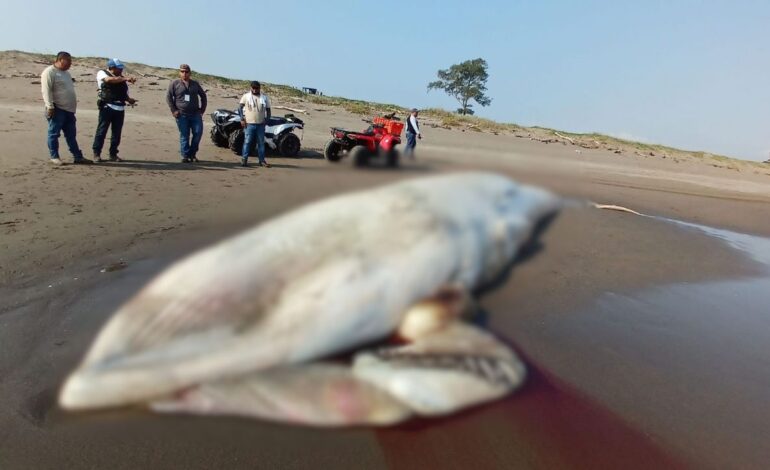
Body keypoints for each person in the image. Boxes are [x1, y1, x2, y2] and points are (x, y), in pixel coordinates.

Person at [41, 51, 92, 165]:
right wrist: (50, 106)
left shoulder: (66, 73)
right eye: (68, 61)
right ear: (60, 60)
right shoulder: (50, 72)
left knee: (71, 135)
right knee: (54, 133)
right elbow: (46, 90)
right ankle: (54, 156)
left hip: (69, 110)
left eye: (71, 61)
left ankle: (78, 157)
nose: (70, 63)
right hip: (56, 108)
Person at [92, 58, 137, 162]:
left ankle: (113, 154)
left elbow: (123, 93)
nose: (121, 70)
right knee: (101, 131)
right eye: (119, 68)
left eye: (121, 68)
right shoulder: (102, 73)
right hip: (107, 107)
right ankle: (96, 153)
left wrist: (129, 100)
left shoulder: (120, 78)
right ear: (112, 67)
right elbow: (108, 80)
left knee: (116, 133)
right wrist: (125, 79)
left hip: (120, 108)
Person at [166, 64, 207, 163]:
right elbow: (168, 97)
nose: (184, 73)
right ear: (179, 72)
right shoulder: (174, 83)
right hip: (181, 114)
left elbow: (203, 96)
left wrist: (202, 110)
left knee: (198, 133)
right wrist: (174, 110)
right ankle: (185, 155)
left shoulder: (195, 84)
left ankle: (192, 154)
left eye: (186, 72)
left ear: (190, 73)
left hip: (195, 114)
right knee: (184, 135)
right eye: (182, 71)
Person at [238, 81, 272, 167]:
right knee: (247, 142)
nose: (254, 90)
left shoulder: (264, 98)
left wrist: (267, 119)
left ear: (259, 88)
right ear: (251, 88)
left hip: (260, 124)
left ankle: (262, 160)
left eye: (256, 88)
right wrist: (242, 118)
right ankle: (244, 159)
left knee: (261, 143)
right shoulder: (246, 96)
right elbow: (240, 108)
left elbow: (268, 110)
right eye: (253, 88)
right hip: (249, 124)